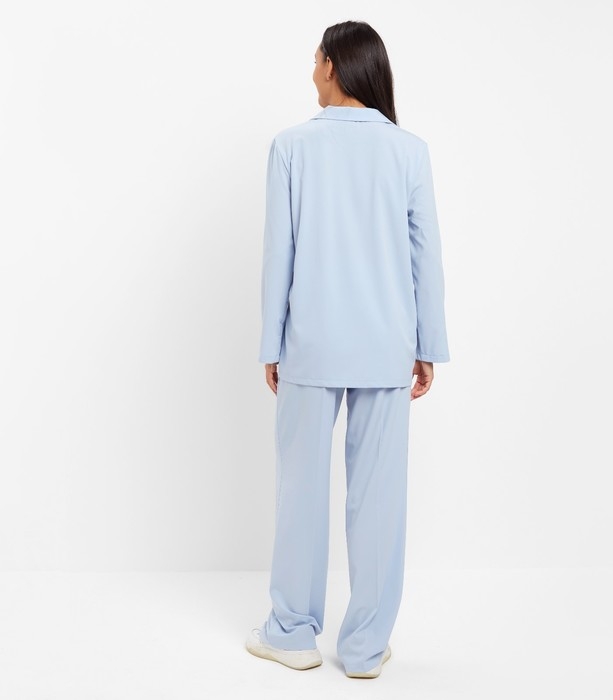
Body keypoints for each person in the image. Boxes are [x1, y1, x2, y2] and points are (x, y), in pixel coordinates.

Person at [246, 20, 450, 679]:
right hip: (387, 346)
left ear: (333, 65)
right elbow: (425, 257)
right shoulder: (409, 151)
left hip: (310, 343)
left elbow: (280, 253)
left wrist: (272, 343)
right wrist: (428, 344)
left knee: (301, 491)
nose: (311, 71)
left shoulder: (291, 147)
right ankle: (363, 648)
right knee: (380, 499)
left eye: (315, 60)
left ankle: (292, 634)